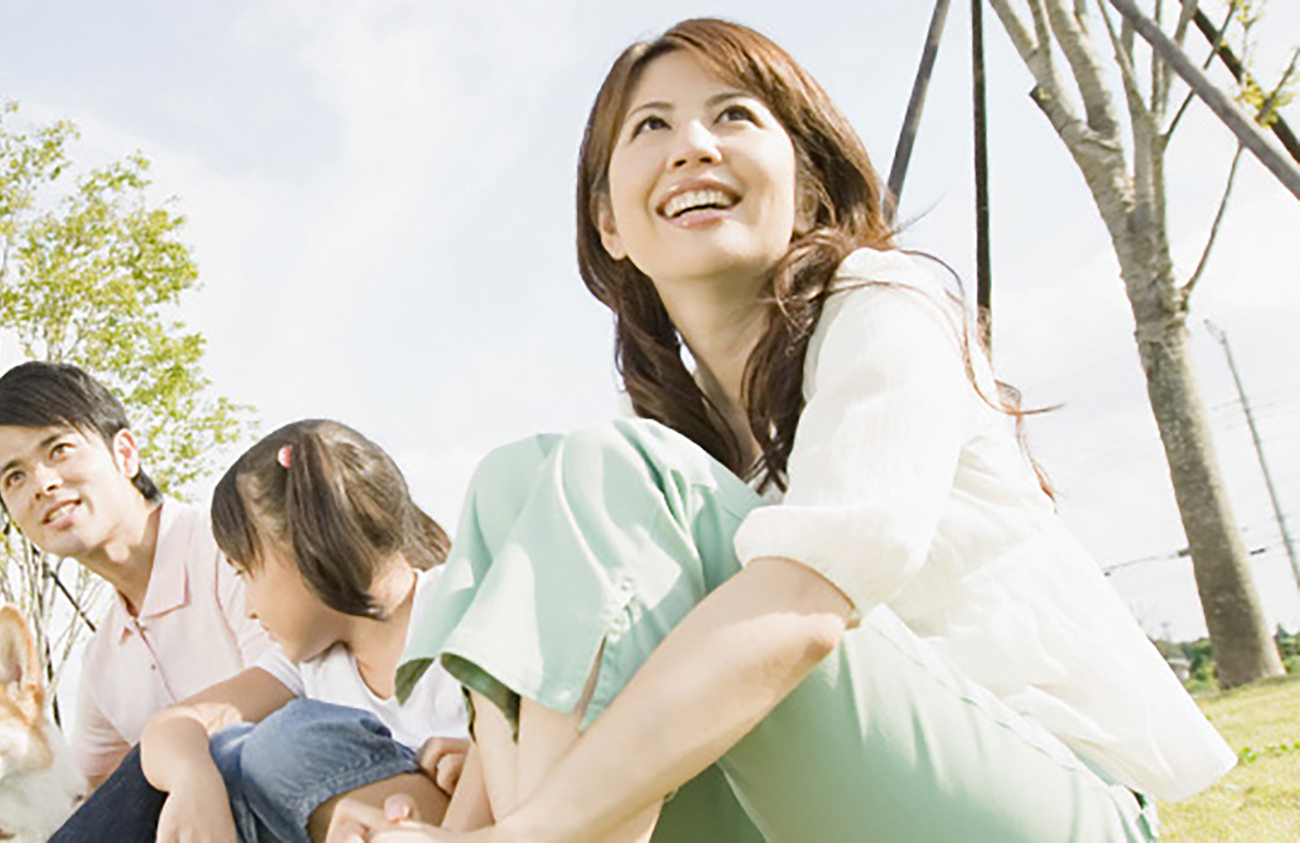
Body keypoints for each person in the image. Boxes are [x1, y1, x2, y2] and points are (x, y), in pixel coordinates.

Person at [346, 18, 1235, 843]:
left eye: (732, 114)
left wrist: (525, 833)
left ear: (807, 180)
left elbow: (803, 613)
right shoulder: (661, 435)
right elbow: (540, 680)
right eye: (649, 127)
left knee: (604, 471)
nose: (693, 144)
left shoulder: (884, 306)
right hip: (822, 801)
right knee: (517, 476)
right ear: (608, 223)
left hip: (1044, 801)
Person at [0, 361, 271, 840]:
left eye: (59, 449)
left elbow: (293, 683)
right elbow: (92, 807)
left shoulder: (228, 547)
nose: (43, 484)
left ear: (125, 453)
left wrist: (170, 738)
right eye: (15, 478)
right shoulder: (104, 659)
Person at [140, 419, 472, 843]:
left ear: (307, 550)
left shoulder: (463, 608)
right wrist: (192, 782)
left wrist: (486, 762)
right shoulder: (310, 664)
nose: (250, 609)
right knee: (220, 755)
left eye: (245, 573)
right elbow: (172, 725)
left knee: (280, 746)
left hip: (472, 825)